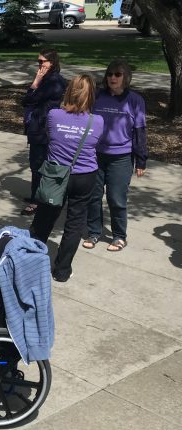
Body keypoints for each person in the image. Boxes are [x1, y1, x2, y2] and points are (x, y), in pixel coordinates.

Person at [30, 74, 104, 282]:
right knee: (74, 223)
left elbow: (50, 136)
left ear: (69, 91)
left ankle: (30, 260)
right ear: (91, 96)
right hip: (85, 177)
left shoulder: (54, 115)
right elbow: (95, 143)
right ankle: (62, 270)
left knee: (44, 220)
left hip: (56, 176)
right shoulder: (97, 121)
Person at [84, 59, 147, 253]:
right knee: (93, 196)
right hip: (96, 155)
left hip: (121, 157)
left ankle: (119, 236)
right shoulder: (97, 96)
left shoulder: (135, 100)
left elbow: (140, 131)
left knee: (116, 198)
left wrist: (141, 160)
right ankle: (94, 231)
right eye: (110, 74)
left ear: (126, 77)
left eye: (117, 74)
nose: (113, 78)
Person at [21, 48, 67, 215]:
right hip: (37, 127)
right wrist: (37, 81)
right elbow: (28, 101)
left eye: (42, 62)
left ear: (52, 63)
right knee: (36, 164)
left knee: (39, 164)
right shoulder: (46, 79)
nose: (39, 65)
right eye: (38, 61)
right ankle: (35, 195)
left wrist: (36, 82)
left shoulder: (54, 81)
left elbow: (28, 100)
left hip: (44, 129)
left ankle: (38, 201)